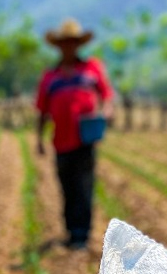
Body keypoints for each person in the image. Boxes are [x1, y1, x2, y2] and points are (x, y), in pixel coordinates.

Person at [35, 18, 114, 251]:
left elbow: (107, 95)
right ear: (59, 46)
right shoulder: (51, 76)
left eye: (73, 43)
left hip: (85, 138)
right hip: (60, 141)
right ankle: (71, 231)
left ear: (78, 44)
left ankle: (82, 234)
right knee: (67, 187)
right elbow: (42, 110)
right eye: (65, 43)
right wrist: (39, 139)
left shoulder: (92, 68)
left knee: (84, 186)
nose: (69, 47)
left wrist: (106, 112)